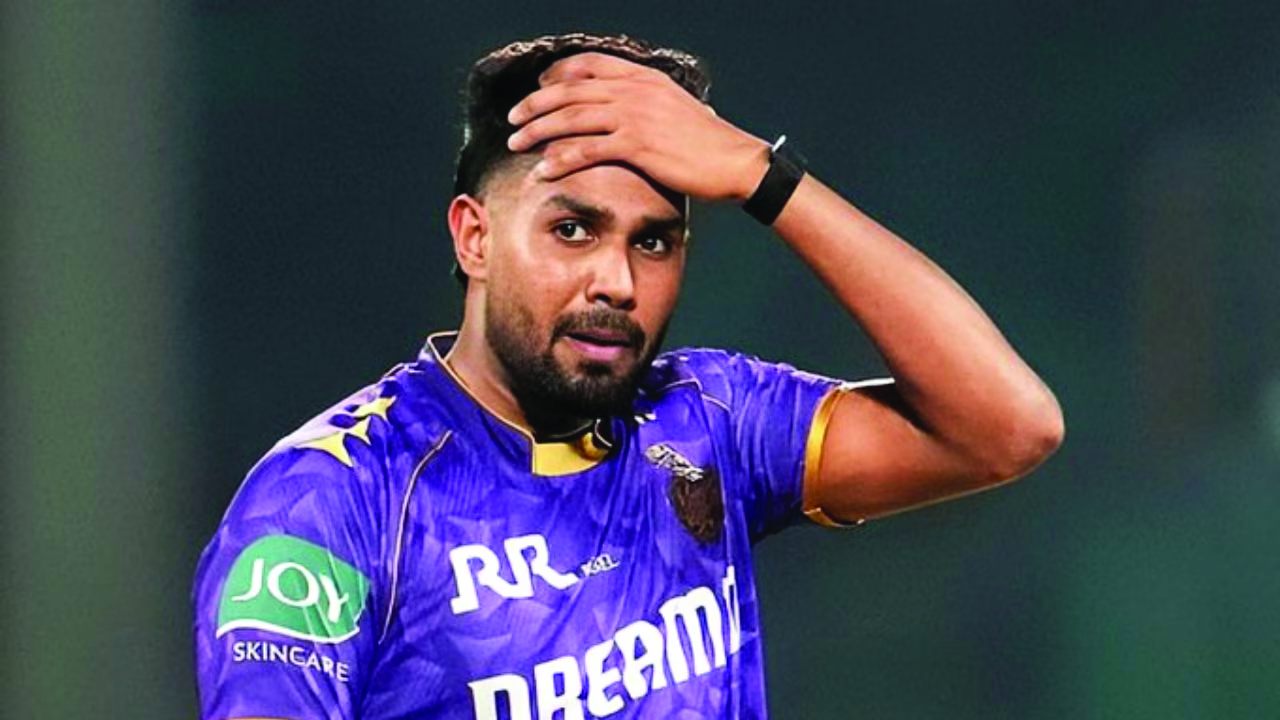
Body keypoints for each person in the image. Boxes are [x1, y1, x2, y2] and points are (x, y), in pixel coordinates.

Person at [192, 32, 1063, 720]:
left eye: (653, 241)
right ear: (475, 238)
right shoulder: (329, 502)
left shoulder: (709, 423)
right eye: (573, 230)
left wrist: (763, 177)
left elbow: (1008, 428)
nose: (616, 281)